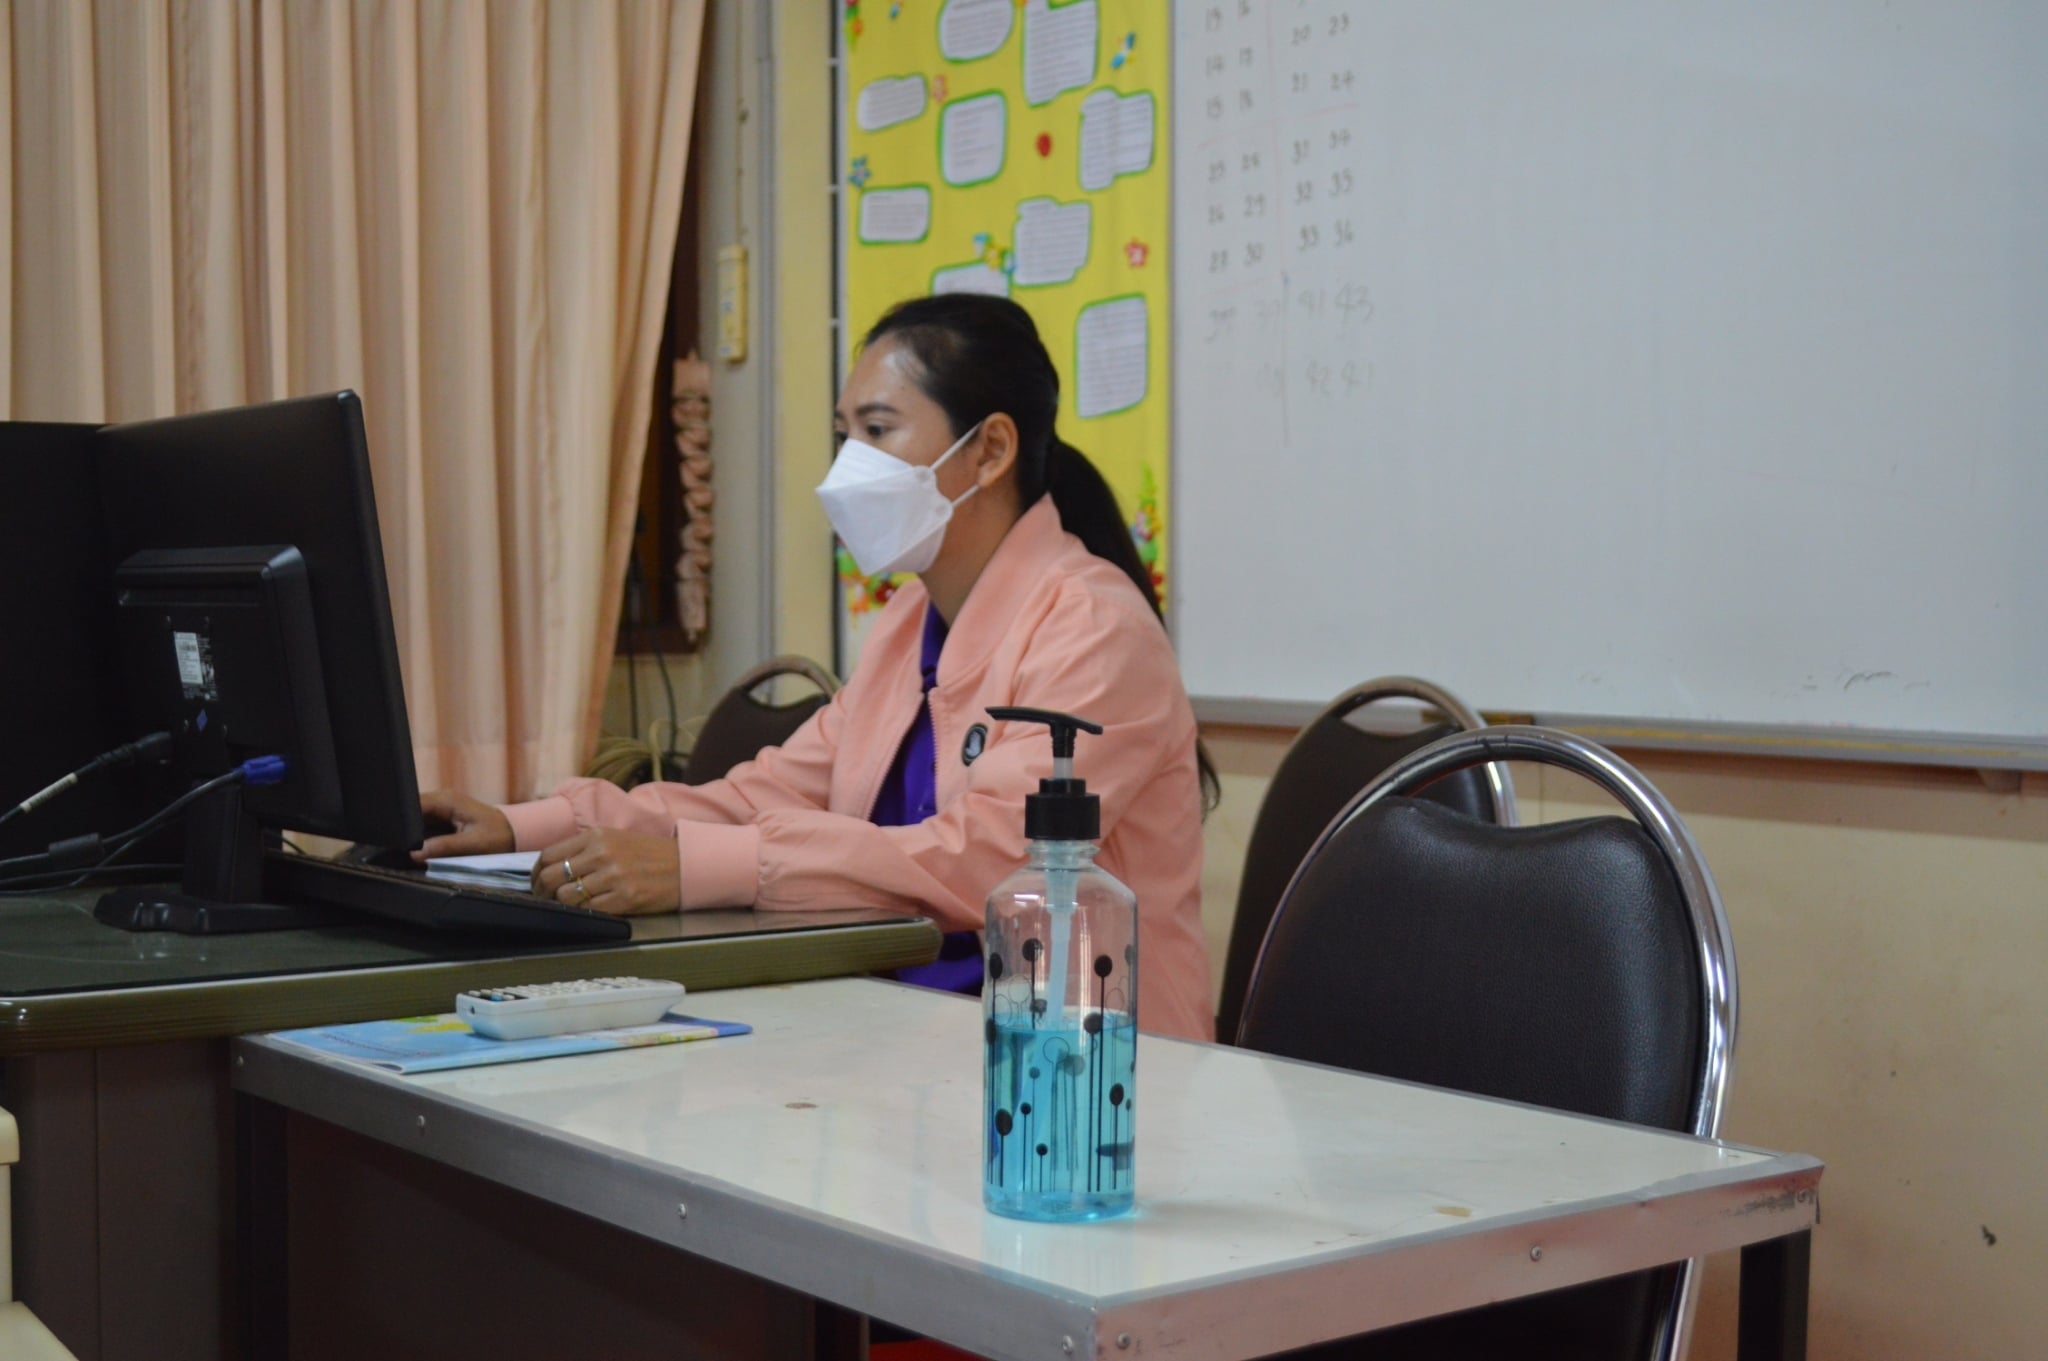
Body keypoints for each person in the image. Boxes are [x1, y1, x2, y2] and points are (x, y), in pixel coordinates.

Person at [420, 295, 1217, 1041]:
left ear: (992, 449)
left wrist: (701, 868)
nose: (847, 467)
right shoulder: (911, 621)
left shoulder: (1094, 625)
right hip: (910, 1034)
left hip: (1083, 1077)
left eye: (878, 430)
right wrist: (527, 827)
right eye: (845, 435)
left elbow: (992, 857)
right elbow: (758, 793)